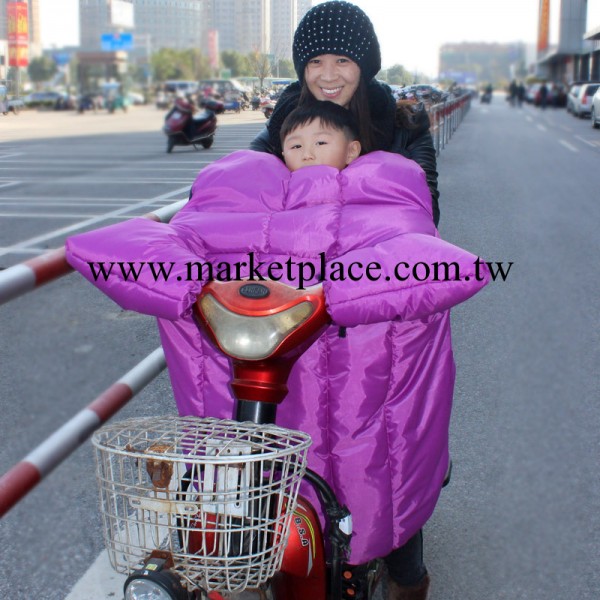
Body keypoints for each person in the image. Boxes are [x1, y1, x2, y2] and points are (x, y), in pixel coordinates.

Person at [250, 0, 441, 228]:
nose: (329, 76)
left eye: (342, 60)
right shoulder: (283, 123)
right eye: (316, 61)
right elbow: (242, 192)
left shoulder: (406, 124)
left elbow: (426, 210)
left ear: (364, 66)